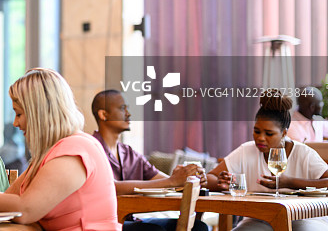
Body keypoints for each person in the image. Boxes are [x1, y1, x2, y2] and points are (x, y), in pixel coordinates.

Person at [0, 68, 120, 231]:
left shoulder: (75, 149)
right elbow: (7, 201)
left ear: (39, 113)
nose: (15, 122)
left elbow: (23, 210)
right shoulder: (52, 152)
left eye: (19, 113)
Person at [206, 93, 328, 231]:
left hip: (305, 217)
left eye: (269, 134)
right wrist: (220, 183)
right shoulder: (246, 151)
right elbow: (210, 177)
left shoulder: (303, 153)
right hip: (260, 218)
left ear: (284, 133)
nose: (260, 138)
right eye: (256, 131)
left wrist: (290, 182)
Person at [91, 90, 207, 231]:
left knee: (198, 227)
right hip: (103, 223)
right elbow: (111, 187)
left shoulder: (129, 153)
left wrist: (186, 178)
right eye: (122, 108)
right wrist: (172, 181)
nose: (128, 114)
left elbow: (165, 181)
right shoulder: (91, 148)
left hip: (129, 219)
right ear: (104, 114)